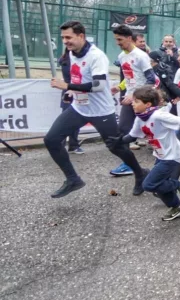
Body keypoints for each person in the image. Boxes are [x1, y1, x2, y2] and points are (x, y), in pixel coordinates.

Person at [44, 21, 149, 198]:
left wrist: (66, 85)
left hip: (101, 110)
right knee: (51, 139)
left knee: (116, 147)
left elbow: (99, 85)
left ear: (81, 36)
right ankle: (72, 179)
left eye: (68, 37)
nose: (65, 41)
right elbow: (77, 77)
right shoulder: (70, 53)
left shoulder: (96, 56)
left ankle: (140, 173)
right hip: (80, 108)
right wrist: (70, 90)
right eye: (63, 37)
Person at [108, 87, 180, 221]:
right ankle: (177, 207)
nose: (132, 103)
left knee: (148, 185)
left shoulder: (159, 115)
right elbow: (132, 135)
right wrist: (119, 141)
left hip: (171, 156)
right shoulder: (140, 118)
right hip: (160, 155)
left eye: (136, 101)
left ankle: (179, 185)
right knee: (158, 185)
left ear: (147, 104)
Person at [108, 25, 158, 176]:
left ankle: (166, 160)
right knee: (123, 131)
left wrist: (135, 95)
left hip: (143, 100)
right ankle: (128, 164)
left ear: (129, 38)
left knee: (154, 131)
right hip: (131, 100)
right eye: (116, 40)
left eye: (120, 39)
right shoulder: (122, 56)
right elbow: (130, 78)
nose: (117, 43)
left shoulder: (141, 56)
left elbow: (151, 79)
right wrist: (119, 87)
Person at [58, 48, 83, 154]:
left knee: (75, 119)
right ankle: (64, 144)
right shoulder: (68, 61)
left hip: (76, 91)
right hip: (71, 91)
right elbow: (73, 78)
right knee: (67, 119)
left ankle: (72, 145)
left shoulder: (65, 59)